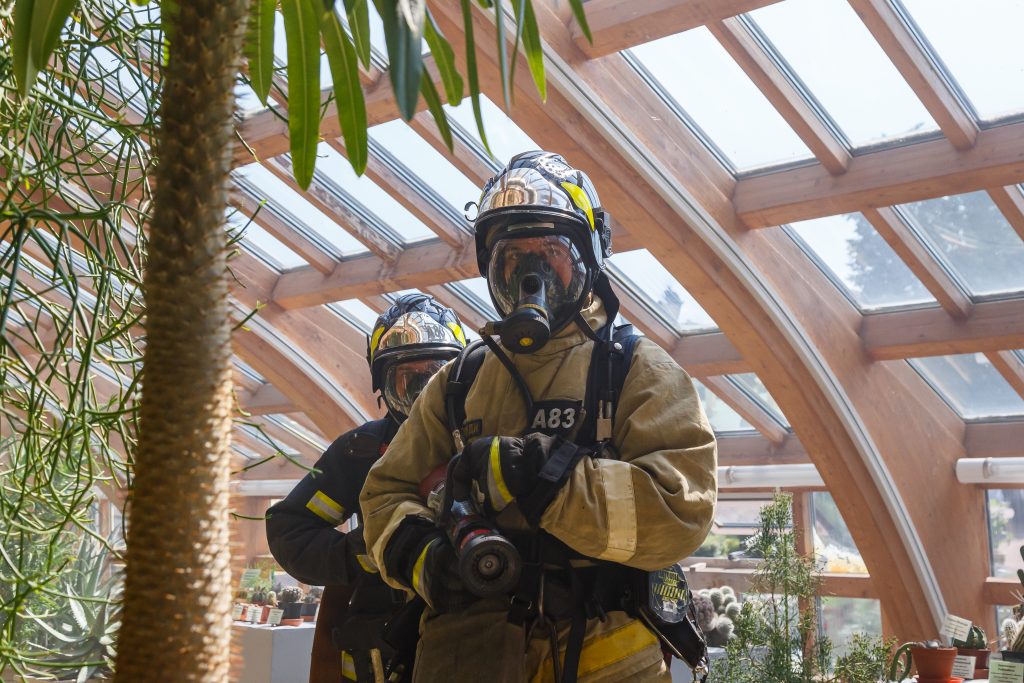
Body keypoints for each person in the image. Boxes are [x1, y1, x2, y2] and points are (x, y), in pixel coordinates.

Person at [360, 151, 718, 683]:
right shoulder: (458, 383)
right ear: (489, 268)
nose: (532, 276)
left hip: (603, 660)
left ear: (589, 260)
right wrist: (423, 556)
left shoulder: (634, 370)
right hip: (467, 656)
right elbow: (384, 493)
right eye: (512, 259)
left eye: (551, 254)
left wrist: (546, 480)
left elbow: (679, 511)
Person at [265, 293, 467, 683]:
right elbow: (289, 527)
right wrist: (365, 551)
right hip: (381, 657)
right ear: (383, 386)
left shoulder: (485, 444)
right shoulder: (359, 453)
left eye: (436, 375)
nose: (422, 397)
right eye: (408, 380)